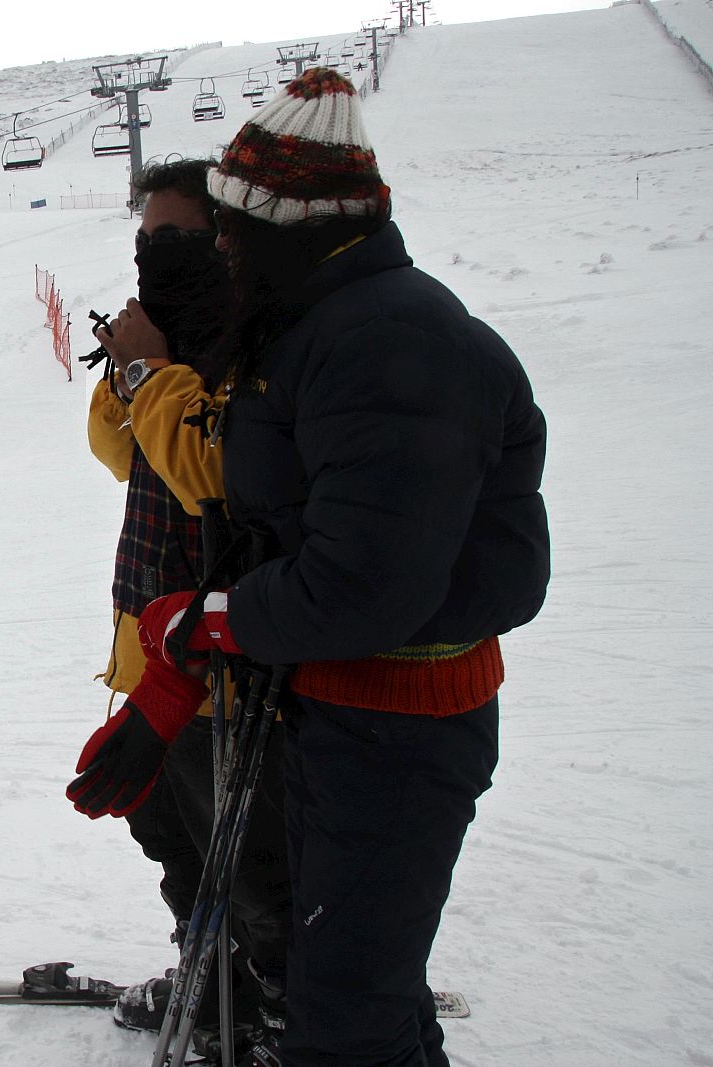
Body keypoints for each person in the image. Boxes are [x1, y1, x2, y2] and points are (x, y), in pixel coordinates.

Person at [119, 69, 550, 1067]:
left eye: (231, 231)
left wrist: (218, 616)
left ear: (291, 227)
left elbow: (362, 584)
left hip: (398, 723)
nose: (219, 250)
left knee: (344, 1016)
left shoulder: (387, 342)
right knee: (352, 988)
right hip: (342, 709)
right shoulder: (319, 326)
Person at [76, 160, 290, 1064]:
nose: (156, 259)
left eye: (176, 240)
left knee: (247, 863)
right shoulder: (166, 340)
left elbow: (210, 470)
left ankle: (286, 1008)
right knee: (166, 831)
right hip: (148, 644)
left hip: (220, 663)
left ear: (222, 243)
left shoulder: (256, 344)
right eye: (145, 242)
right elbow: (117, 452)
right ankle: (217, 978)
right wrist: (132, 367)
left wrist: (145, 368)